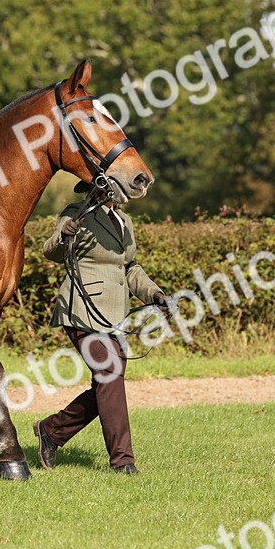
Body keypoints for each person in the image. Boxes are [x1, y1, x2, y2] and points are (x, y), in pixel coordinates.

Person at [33, 181, 166, 474]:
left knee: (107, 384)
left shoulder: (124, 221)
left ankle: (51, 431)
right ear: (101, 188)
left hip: (115, 315)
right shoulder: (76, 213)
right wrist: (64, 235)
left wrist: (154, 294)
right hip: (82, 308)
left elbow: (129, 267)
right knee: (109, 376)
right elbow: (51, 251)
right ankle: (123, 460)